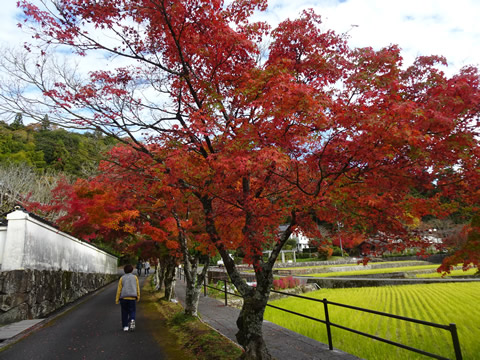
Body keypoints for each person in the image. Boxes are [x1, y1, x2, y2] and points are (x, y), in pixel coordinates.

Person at [115, 264, 140, 332]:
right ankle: (132, 319)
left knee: (124, 312)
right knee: (132, 311)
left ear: (124, 270)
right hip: (132, 297)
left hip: (124, 297)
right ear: (132, 270)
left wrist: (117, 299)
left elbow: (119, 289)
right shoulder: (135, 277)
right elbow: (137, 287)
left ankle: (125, 326)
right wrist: (138, 296)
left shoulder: (122, 278)